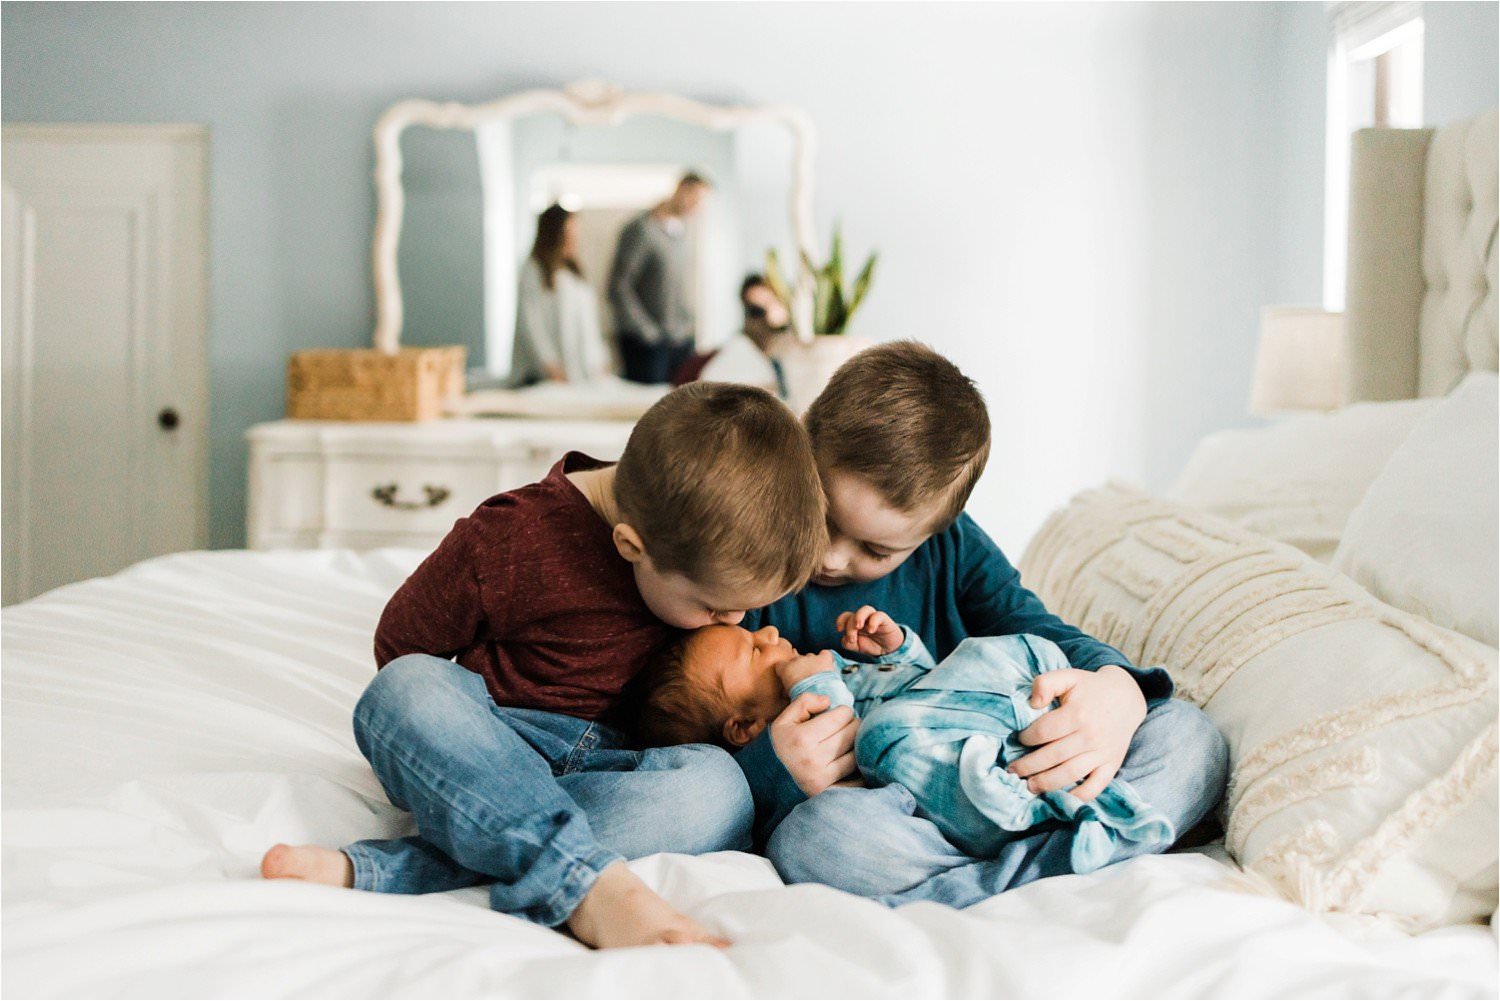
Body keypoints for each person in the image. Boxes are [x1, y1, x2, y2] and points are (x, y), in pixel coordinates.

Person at [259, 383, 827, 950]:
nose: (736, 620)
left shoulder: (718, 549)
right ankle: (593, 889)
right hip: (495, 740)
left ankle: (403, 867)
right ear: (630, 546)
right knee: (405, 687)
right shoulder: (512, 538)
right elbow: (402, 642)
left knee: (720, 790)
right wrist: (465, 746)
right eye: (713, 608)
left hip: (614, 769)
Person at [728, 340, 1229, 907]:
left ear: (934, 529)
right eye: (821, 518)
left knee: (1190, 736)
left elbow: (1034, 625)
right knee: (816, 840)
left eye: (875, 548)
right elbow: (702, 714)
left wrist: (1116, 688)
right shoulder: (756, 555)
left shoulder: (954, 548)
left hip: (1014, 773)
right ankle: (1066, 865)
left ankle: (991, 880)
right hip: (907, 809)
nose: (832, 558)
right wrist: (776, 767)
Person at [637, 609, 1175, 875]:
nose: (770, 633)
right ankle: (1054, 849)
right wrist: (814, 685)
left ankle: (1046, 846)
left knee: (1183, 730)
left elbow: (921, 686)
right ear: (744, 730)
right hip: (962, 786)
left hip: (1012, 729)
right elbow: (875, 734)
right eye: (754, 652)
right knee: (825, 826)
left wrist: (891, 654)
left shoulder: (833, 667)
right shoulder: (810, 700)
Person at [608, 172, 709, 384]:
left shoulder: (681, 234)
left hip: (679, 339)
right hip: (648, 344)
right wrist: (646, 332)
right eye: (696, 199)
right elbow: (619, 286)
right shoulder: (641, 230)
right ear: (682, 189)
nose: (697, 208)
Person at [510, 203, 607, 386]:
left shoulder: (575, 272)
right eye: (569, 232)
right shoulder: (534, 269)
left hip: (582, 371)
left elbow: (590, 325)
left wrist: (598, 359)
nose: (574, 238)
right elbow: (531, 323)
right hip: (548, 373)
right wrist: (548, 363)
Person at [693, 274, 790, 396]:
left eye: (770, 302)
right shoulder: (739, 354)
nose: (764, 314)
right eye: (756, 310)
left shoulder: (793, 348)